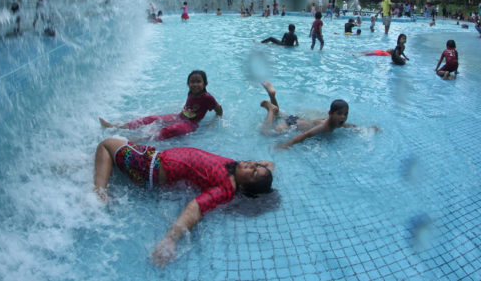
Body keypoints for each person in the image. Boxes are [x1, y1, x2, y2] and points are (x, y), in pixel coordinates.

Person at [93, 137, 274, 265]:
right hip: (153, 162)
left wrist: (170, 240)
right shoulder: (236, 170)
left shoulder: (225, 188)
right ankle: (100, 169)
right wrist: (265, 175)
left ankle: (99, 195)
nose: (253, 164)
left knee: (107, 144)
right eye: (256, 165)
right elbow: (267, 165)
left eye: (254, 172)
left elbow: (195, 209)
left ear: (243, 188)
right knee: (122, 143)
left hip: (149, 167)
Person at [99, 70, 223, 140]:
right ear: (188, 83)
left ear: (205, 83)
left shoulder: (207, 98)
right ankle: (119, 126)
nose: (195, 84)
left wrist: (214, 121)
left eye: (198, 82)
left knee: (170, 130)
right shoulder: (191, 92)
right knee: (152, 118)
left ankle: (137, 139)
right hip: (179, 117)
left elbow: (218, 109)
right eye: (192, 82)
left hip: (191, 124)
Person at [257, 81, 378, 149]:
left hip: (297, 120)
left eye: (345, 114)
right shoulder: (324, 126)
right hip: (292, 124)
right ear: (330, 113)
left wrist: (367, 129)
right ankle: (270, 109)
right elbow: (304, 136)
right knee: (267, 132)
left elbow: (349, 126)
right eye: (339, 114)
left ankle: (272, 96)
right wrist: (285, 145)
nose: (343, 117)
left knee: (279, 115)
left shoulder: (338, 123)